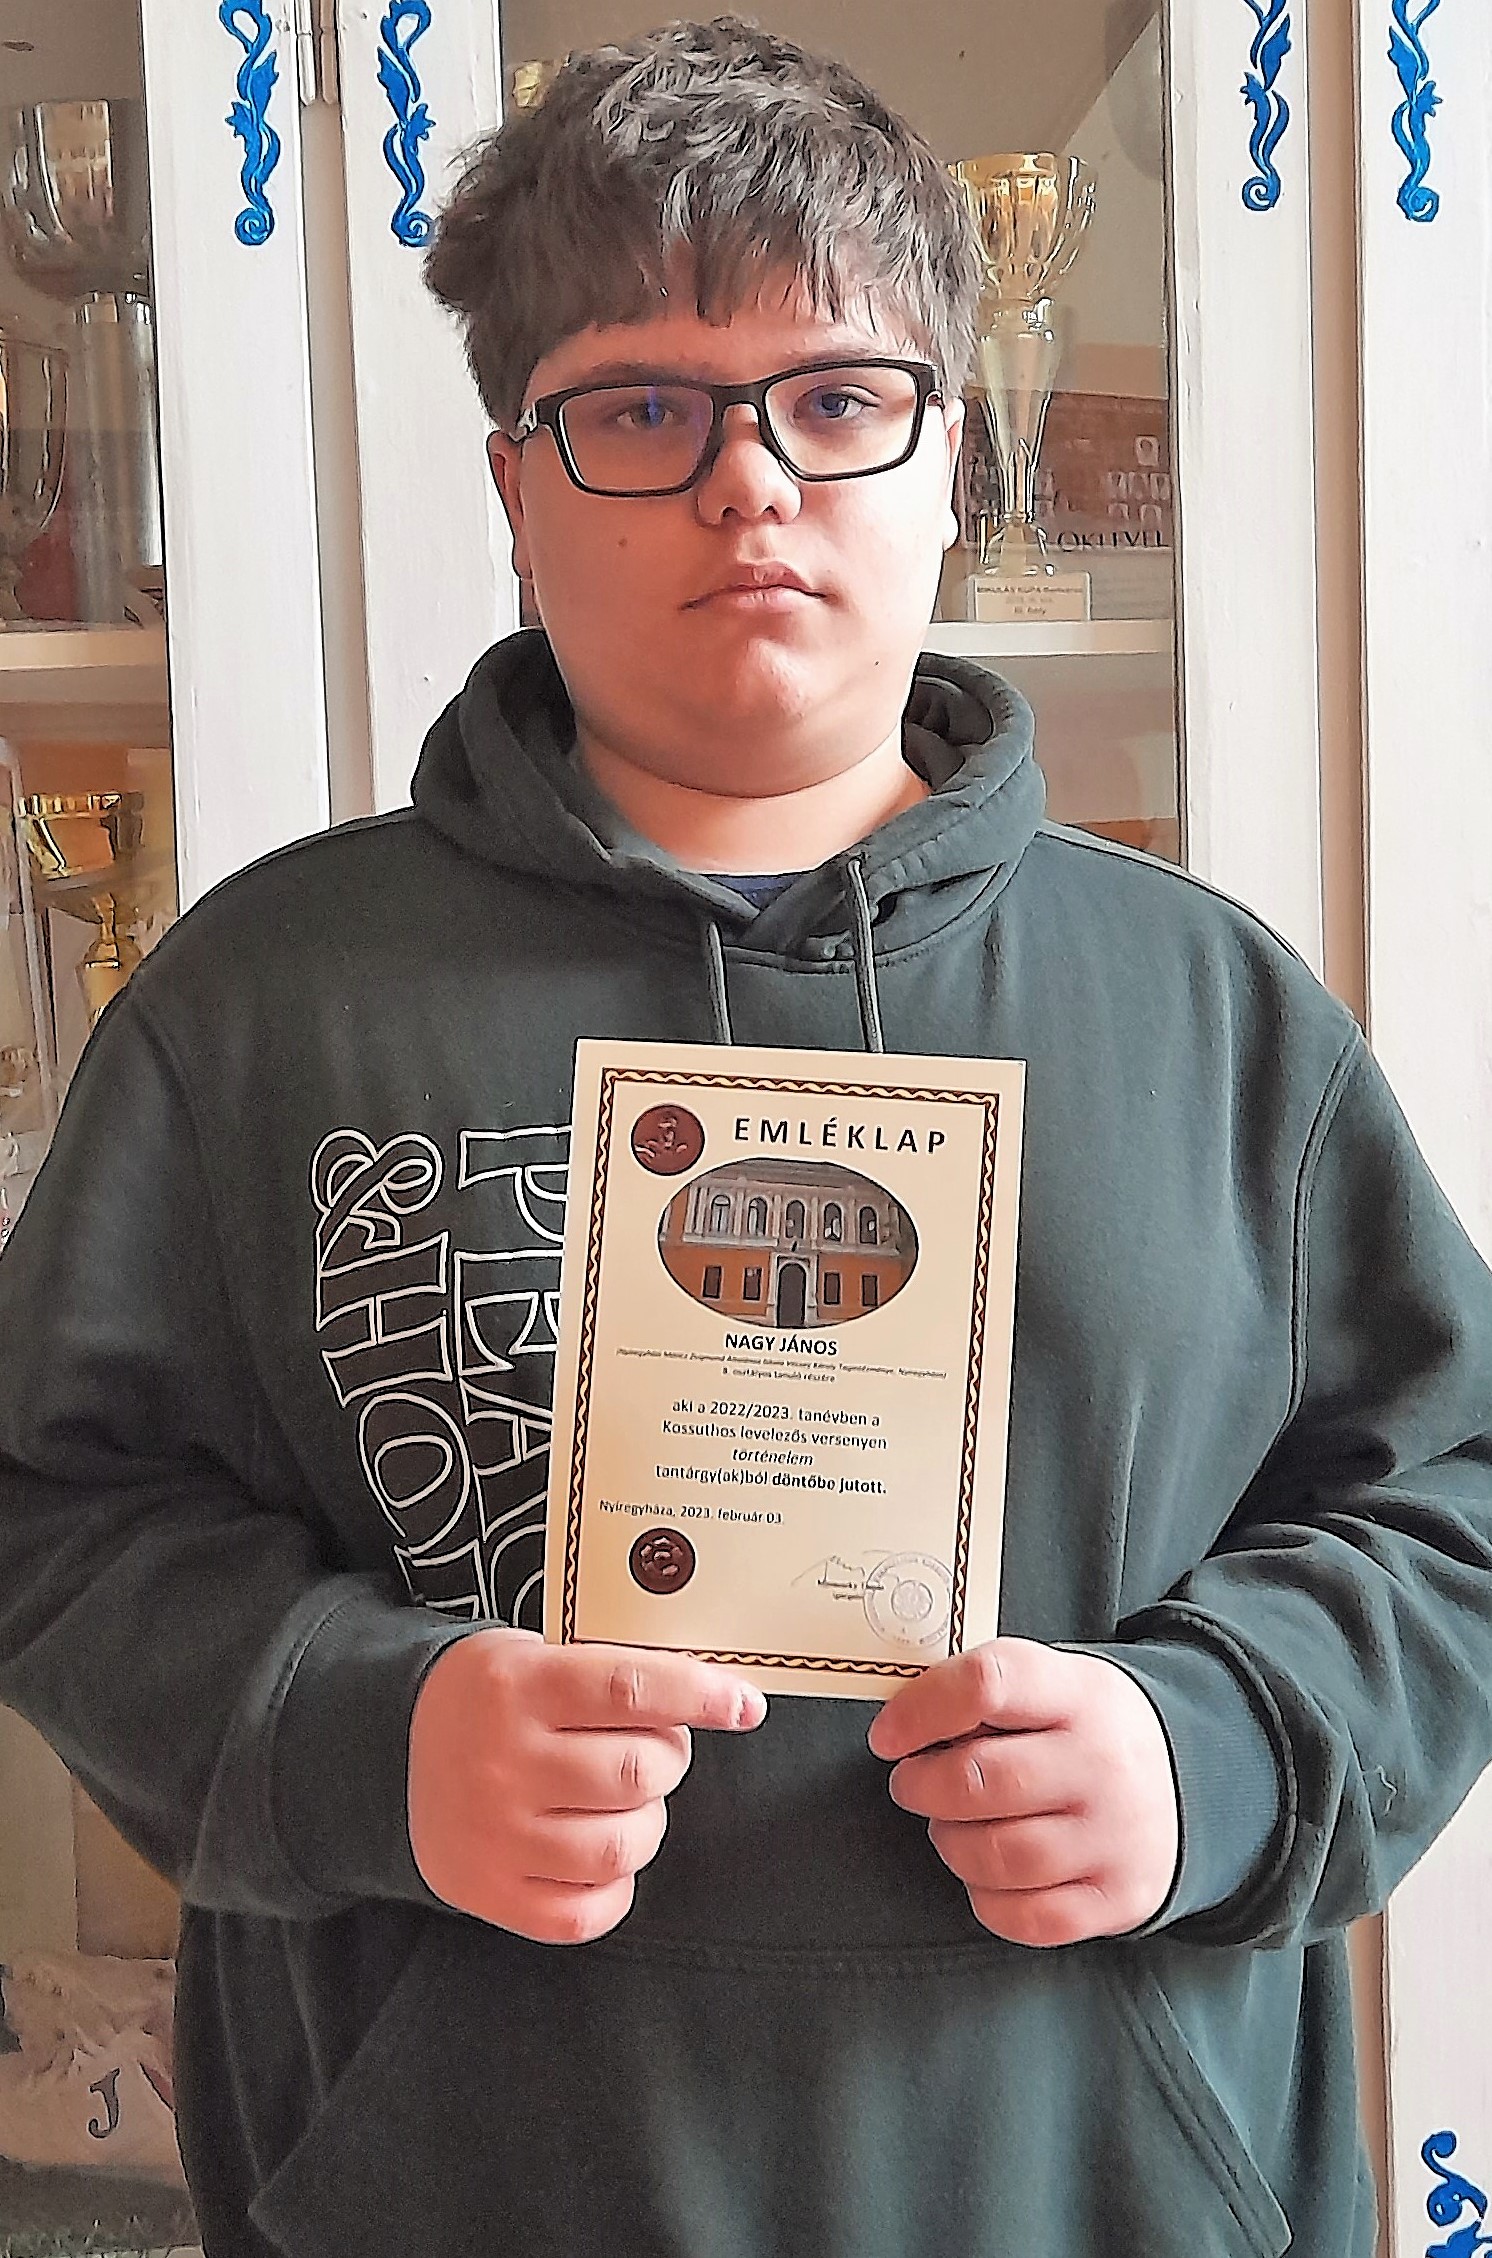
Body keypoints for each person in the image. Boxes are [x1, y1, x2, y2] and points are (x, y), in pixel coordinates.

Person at [2, 18, 1491, 2256]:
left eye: (836, 398)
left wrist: (1221, 1744)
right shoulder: (257, 1012)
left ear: (951, 457)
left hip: (1095, 2188)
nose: (747, 483)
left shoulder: (1216, 1015)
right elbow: (54, 1509)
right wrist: (360, 1735)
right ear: (513, 489)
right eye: (639, 411)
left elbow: (1452, 1498)